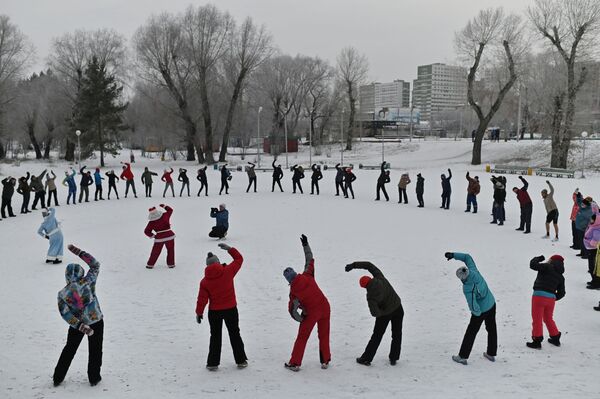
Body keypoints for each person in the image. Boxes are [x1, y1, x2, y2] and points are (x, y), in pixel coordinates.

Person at [53, 244, 103, 387]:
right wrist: (80, 252)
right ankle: (94, 377)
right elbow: (95, 265)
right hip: (96, 320)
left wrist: (80, 326)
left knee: (70, 349)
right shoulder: (88, 281)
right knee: (95, 349)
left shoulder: (62, 293)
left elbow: (65, 314)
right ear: (81, 273)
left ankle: (58, 377)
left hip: (77, 325)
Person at [195, 243, 248, 371]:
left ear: (207, 266)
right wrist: (230, 249)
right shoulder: (228, 271)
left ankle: (213, 363)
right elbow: (239, 259)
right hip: (231, 310)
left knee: (215, 336)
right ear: (218, 262)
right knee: (235, 333)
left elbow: (202, 299)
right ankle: (241, 360)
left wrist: (199, 313)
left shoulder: (204, 281)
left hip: (214, 312)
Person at [283, 234, 331, 371]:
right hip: (325, 306)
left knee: (302, 337)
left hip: (312, 313)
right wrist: (305, 244)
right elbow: (309, 258)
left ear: (288, 280)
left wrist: (301, 318)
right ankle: (325, 360)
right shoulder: (308, 274)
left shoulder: (293, 293)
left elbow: (292, 311)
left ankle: (295, 363)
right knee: (324, 334)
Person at [345, 261, 404, 367]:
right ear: (370, 278)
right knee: (397, 334)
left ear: (364, 287)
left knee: (377, 336)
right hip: (398, 307)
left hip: (384, 314)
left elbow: (375, 313)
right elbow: (369, 265)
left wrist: (383, 311)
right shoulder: (380, 277)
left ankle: (366, 358)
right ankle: (394, 357)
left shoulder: (370, 297)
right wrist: (353, 265)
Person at [444, 252, 496, 365]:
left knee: (471, 331)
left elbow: (472, 304)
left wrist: (477, 315)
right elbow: (467, 257)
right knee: (491, 328)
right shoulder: (474, 271)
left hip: (481, 310)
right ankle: (491, 353)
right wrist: (453, 255)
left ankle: (462, 356)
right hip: (491, 303)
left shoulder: (467, 287)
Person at [527, 255, 565, 349]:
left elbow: (533, 265)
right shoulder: (561, 276)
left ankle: (537, 340)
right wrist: (552, 298)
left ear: (551, 260)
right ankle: (555, 337)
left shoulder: (547, 267)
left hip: (539, 296)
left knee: (537, 319)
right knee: (548, 318)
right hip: (551, 299)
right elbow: (562, 293)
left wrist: (538, 258)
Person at [574, 193, 594, 259]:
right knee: (581, 241)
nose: (583, 204)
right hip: (579, 227)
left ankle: (586, 254)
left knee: (585, 242)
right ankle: (582, 252)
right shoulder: (583, 205)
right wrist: (578, 195)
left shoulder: (590, 210)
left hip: (585, 228)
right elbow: (579, 201)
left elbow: (591, 220)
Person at [584, 213, 600, 289]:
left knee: (592, 267)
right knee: (591, 266)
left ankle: (596, 283)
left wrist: (591, 243)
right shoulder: (593, 226)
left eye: (592, 219)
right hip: (591, 249)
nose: (590, 220)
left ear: (596, 220)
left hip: (593, 249)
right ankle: (594, 280)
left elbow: (597, 239)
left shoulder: (597, 228)